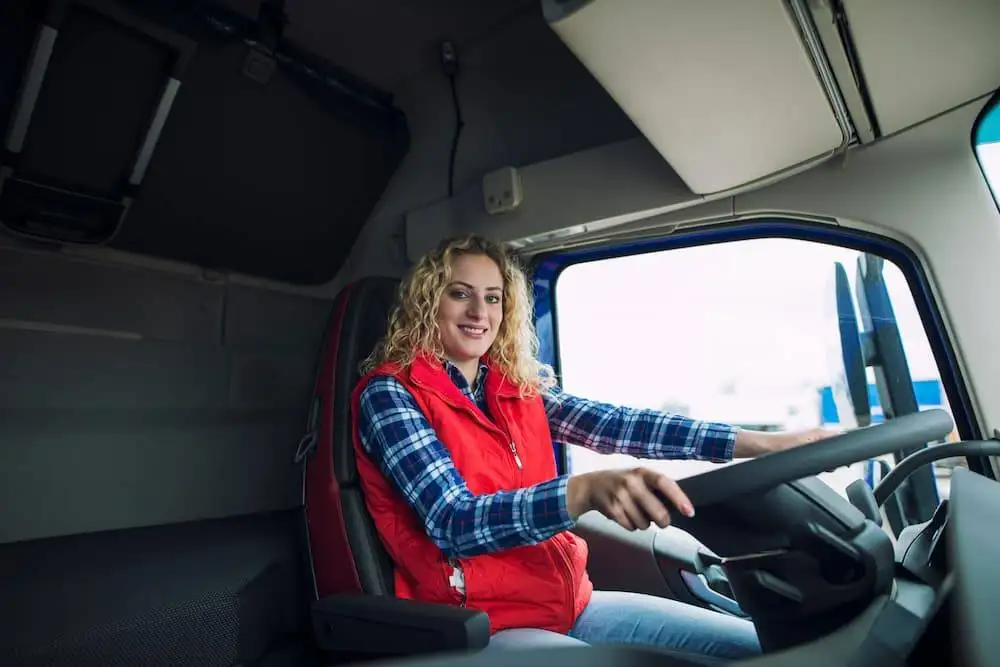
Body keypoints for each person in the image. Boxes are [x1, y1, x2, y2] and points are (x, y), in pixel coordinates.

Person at [351, 234, 836, 663]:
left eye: (494, 298)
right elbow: (453, 521)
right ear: (428, 303)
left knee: (759, 649)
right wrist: (581, 492)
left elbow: (620, 426)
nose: (480, 313)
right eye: (461, 294)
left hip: (568, 604)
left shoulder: (516, 389)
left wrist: (759, 443)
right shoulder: (390, 394)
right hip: (483, 625)